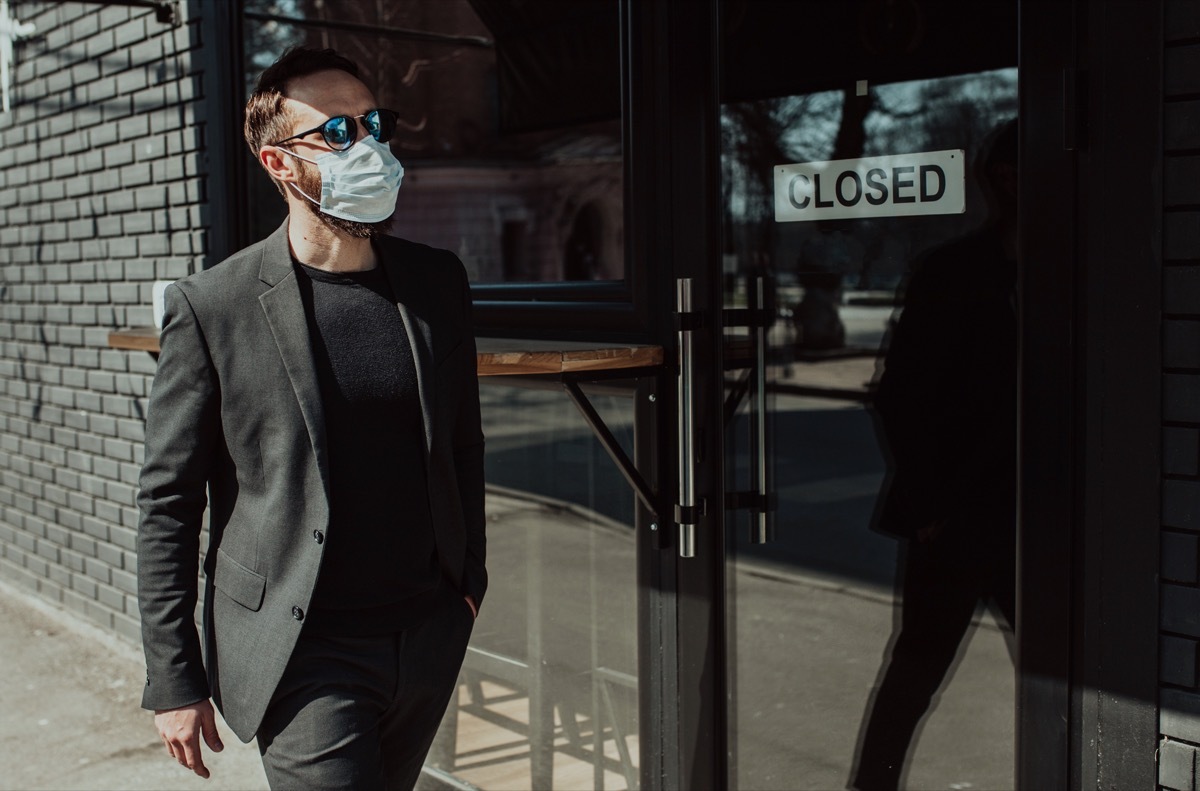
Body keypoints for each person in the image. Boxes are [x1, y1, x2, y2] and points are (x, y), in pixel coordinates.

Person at [136, 47, 486, 790]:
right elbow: (168, 503)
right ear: (278, 162)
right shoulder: (212, 307)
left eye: (375, 123)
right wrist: (173, 677)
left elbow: (461, 442)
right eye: (337, 130)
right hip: (302, 649)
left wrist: (468, 583)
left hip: (425, 633)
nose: (370, 146)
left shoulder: (436, 281)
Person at [850, 119, 1019, 791]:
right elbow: (900, 396)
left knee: (1060, 682)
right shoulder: (954, 272)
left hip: (1036, 516)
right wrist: (931, 511)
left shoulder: (1077, 272)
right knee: (914, 676)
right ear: (1006, 179)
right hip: (961, 518)